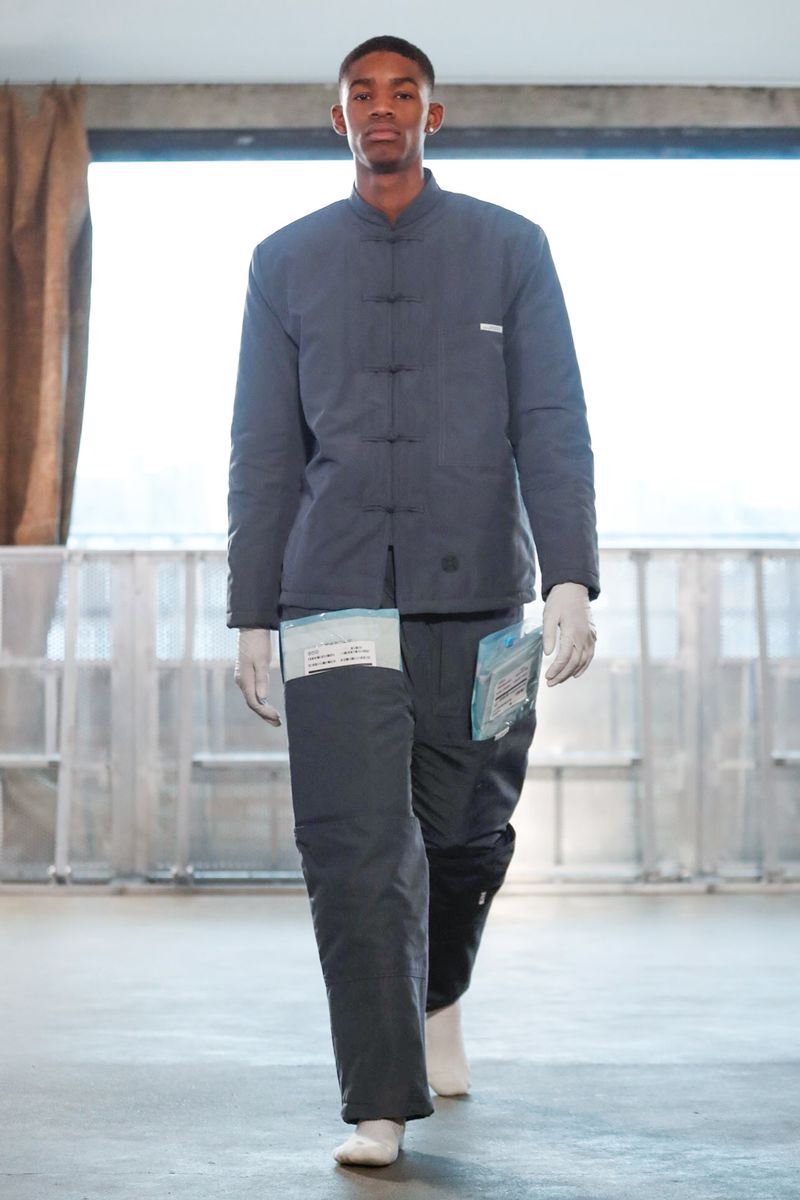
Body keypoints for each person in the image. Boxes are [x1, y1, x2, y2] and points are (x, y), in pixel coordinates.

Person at [227, 34, 600, 1168]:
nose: (380, 108)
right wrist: (251, 609)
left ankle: (439, 996)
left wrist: (571, 574)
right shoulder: (283, 263)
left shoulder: (511, 249)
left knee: (464, 834)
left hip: (480, 596)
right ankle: (378, 1103)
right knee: (353, 846)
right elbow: (263, 447)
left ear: (433, 116)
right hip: (332, 596)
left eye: (402, 93)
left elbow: (550, 419)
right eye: (360, 94)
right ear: (336, 119)